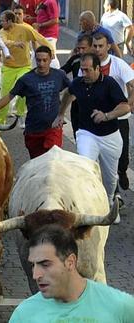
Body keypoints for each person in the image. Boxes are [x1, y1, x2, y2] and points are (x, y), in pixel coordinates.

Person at [54, 53, 130, 222]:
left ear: (97, 68)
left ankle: (110, 202)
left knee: (110, 179)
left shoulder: (109, 83)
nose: (84, 74)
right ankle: (87, 206)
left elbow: (125, 107)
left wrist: (107, 115)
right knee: (85, 167)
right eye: (82, 70)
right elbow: (68, 94)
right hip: (86, 133)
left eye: (88, 70)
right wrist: (60, 115)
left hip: (110, 136)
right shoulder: (78, 83)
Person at [9, 225, 134, 322]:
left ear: (70, 262)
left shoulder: (122, 306)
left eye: (45, 264)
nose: (36, 275)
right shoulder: (24, 314)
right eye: (33, 265)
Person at [0, 46, 70, 158]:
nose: (41, 64)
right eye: (38, 60)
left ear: (50, 59)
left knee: (52, 159)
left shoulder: (59, 75)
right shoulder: (26, 79)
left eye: (45, 60)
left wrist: (62, 113)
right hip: (33, 130)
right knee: (36, 164)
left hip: (53, 128)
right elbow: (9, 96)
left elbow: (73, 90)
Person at [89, 32, 134, 203]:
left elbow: (132, 84)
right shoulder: (88, 64)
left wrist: (128, 104)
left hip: (119, 118)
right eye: (95, 46)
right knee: (104, 157)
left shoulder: (118, 64)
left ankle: (122, 171)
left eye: (101, 46)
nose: (98, 49)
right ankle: (114, 195)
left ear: (108, 46)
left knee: (122, 158)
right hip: (98, 118)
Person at [0, 10, 52, 125]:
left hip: (24, 66)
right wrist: (15, 43)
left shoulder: (25, 28)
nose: (0, 23)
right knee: (5, 94)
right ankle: (0, 121)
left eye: (2, 21)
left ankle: (20, 113)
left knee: (24, 87)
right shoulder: (2, 31)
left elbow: (39, 38)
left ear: (10, 21)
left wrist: (50, 49)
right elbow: (3, 41)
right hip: (8, 67)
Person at [60, 34, 93, 137]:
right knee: (77, 134)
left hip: (93, 102)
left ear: (91, 47)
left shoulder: (97, 62)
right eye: (79, 48)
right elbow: (61, 72)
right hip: (76, 102)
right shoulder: (75, 59)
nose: (81, 51)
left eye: (84, 48)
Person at [33, 0, 60, 68]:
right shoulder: (44, 2)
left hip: (49, 35)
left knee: (51, 57)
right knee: (38, 56)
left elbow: (55, 20)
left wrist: (40, 25)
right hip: (42, 35)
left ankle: (57, 74)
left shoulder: (51, 2)